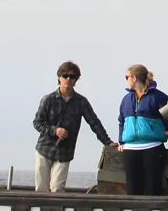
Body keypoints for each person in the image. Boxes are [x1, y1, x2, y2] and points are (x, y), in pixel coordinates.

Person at [32, 61, 112, 195]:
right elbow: (37, 122)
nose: (68, 79)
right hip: (44, 149)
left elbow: (94, 123)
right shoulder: (48, 100)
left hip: (65, 151)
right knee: (41, 189)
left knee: (58, 189)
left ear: (76, 80)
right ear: (59, 78)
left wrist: (108, 142)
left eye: (72, 76)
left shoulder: (81, 102)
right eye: (65, 76)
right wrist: (54, 130)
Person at [118, 64, 168, 197]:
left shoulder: (159, 98)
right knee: (132, 190)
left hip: (153, 148)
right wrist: (121, 142)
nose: (126, 80)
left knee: (152, 189)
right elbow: (121, 121)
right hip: (130, 150)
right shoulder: (126, 100)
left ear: (134, 78)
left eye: (127, 77)